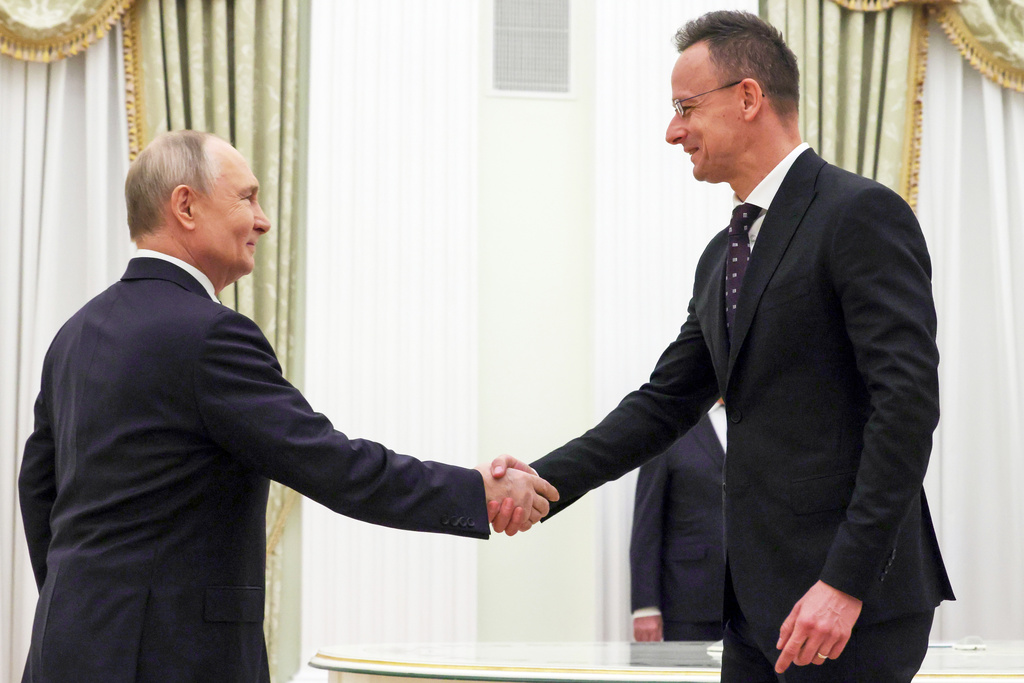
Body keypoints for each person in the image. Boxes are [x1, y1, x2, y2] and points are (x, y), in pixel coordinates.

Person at [495, 10, 955, 682]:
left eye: (686, 107)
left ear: (748, 97)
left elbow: (906, 406)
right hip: (751, 609)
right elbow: (663, 404)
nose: (673, 130)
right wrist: (541, 482)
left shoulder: (860, 214)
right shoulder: (723, 254)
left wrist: (845, 581)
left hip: (845, 604)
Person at [18, 130, 557, 683]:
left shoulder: (74, 334)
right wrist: (473, 490)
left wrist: (79, 603)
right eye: (247, 197)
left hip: (64, 648)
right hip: (171, 659)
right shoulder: (210, 335)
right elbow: (331, 465)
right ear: (185, 205)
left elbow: (38, 490)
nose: (263, 220)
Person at [630, 402, 725, 642]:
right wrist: (645, 607)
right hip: (689, 600)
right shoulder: (670, 428)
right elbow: (646, 524)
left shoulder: (761, 422)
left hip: (759, 603)